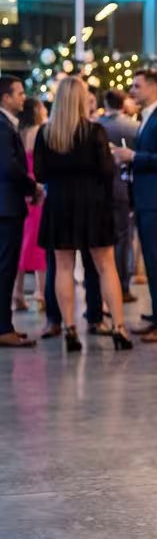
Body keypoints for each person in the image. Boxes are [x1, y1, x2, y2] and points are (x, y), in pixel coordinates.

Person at [33, 76, 131, 352]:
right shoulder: (95, 132)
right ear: (81, 100)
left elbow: (40, 173)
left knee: (63, 267)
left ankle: (69, 329)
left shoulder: (46, 133)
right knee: (105, 265)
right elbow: (106, 171)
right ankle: (119, 329)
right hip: (93, 203)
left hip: (60, 203)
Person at [114, 69, 157, 343]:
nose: (132, 91)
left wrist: (134, 156)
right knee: (152, 261)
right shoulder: (149, 116)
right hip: (146, 197)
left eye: (137, 86)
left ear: (153, 87)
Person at [0, 76, 40, 348]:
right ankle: (3, 328)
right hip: (6, 208)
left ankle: (5, 324)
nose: (23, 98)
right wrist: (32, 186)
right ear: (5, 97)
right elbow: (9, 167)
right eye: (19, 93)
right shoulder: (3, 127)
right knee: (5, 268)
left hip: (7, 206)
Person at [97, 89, 139, 302]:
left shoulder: (96, 125)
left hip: (98, 189)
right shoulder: (133, 127)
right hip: (124, 185)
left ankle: (101, 290)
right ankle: (121, 285)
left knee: (100, 241)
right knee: (123, 237)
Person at [13, 98, 48, 313]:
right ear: (36, 110)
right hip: (39, 189)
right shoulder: (41, 132)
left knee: (21, 244)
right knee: (40, 244)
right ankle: (41, 293)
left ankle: (17, 293)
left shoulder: (17, 132)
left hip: (21, 189)